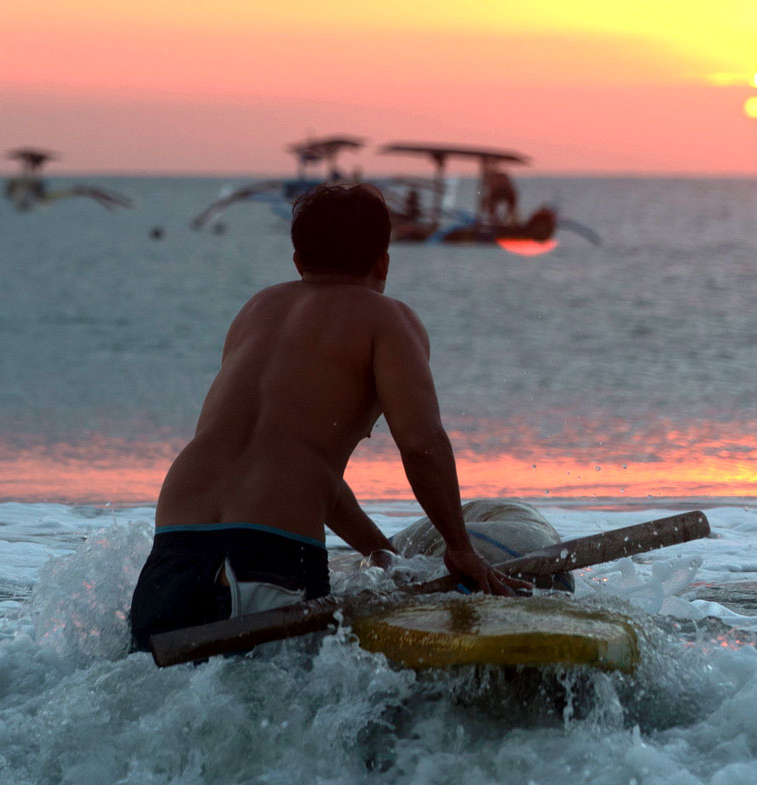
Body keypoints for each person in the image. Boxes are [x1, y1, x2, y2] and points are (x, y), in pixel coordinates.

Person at [129, 182, 529, 652]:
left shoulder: (256, 310)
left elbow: (302, 470)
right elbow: (421, 443)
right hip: (268, 559)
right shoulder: (388, 320)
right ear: (383, 261)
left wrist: (384, 555)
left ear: (298, 262)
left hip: (173, 551)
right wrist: (459, 548)